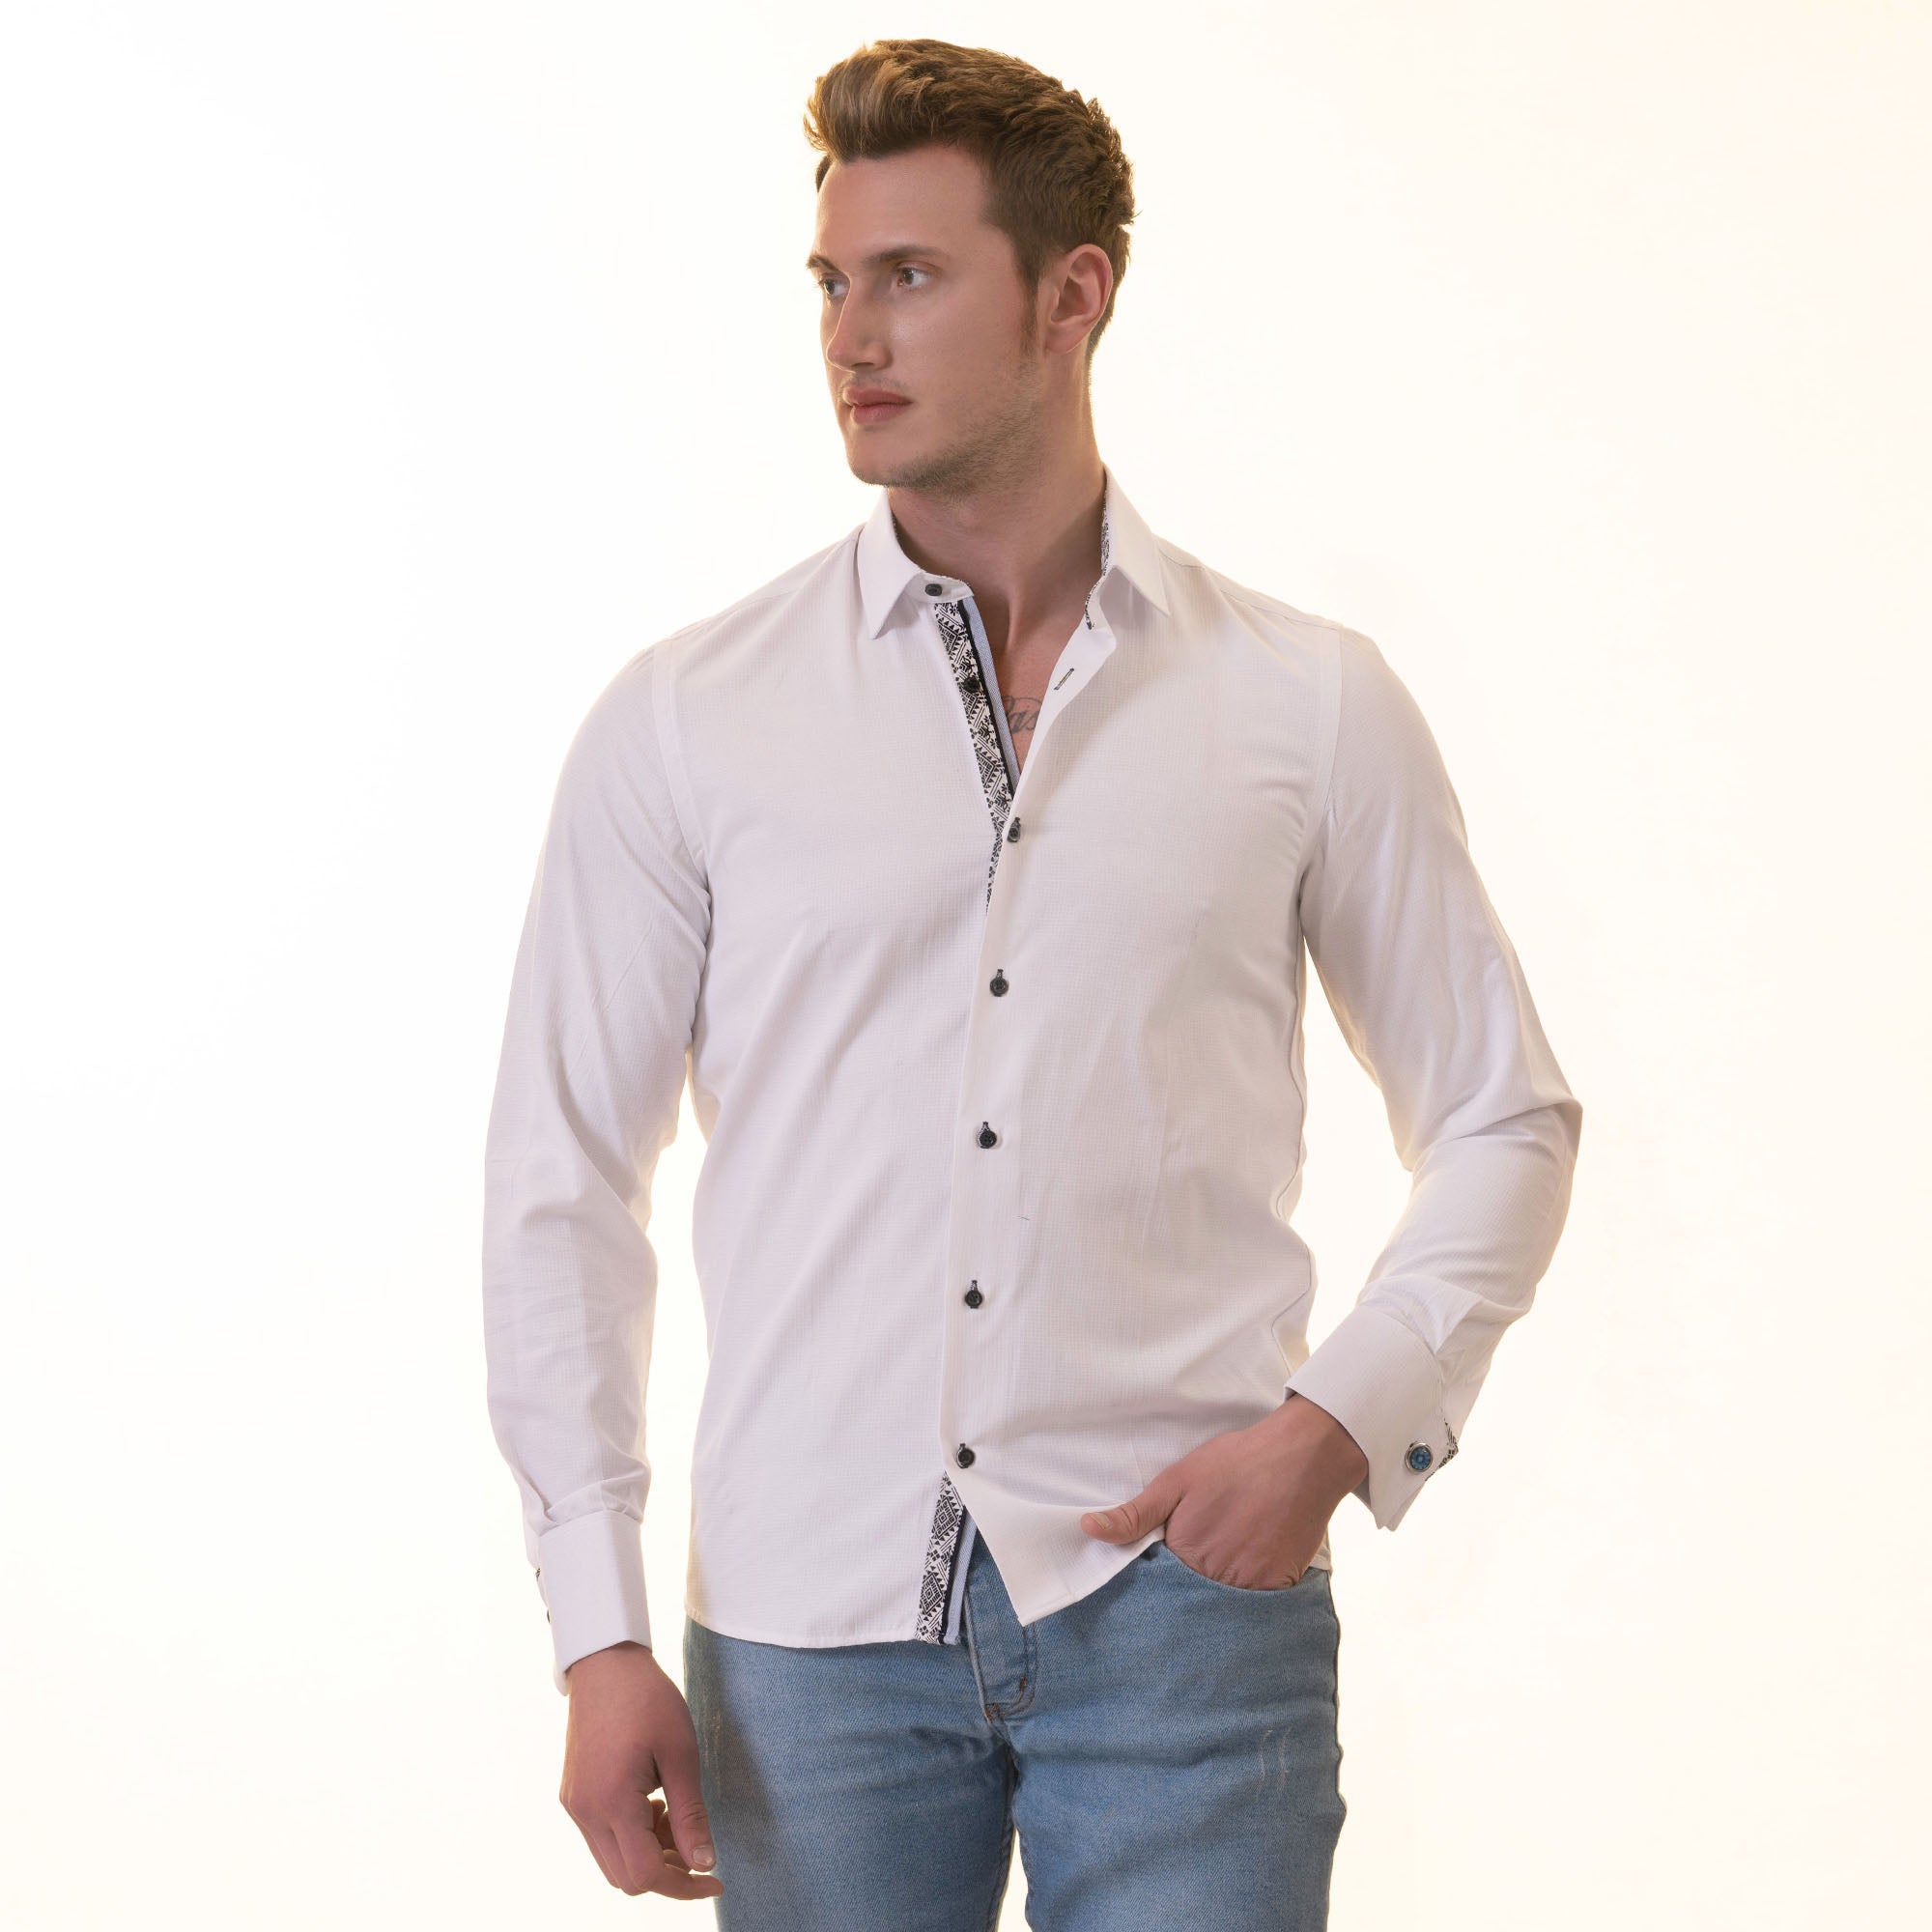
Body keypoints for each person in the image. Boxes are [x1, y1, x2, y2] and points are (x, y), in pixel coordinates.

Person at [481, 35, 1582, 1930]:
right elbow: (559, 1179)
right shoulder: (686, 722)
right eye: (832, 280)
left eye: (910, 276)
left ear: (1073, 296)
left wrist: (1330, 1432)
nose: (850, 335)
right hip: (806, 1638)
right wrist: (596, 1631)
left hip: (1185, 1621)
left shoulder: (1304, 703)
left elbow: (1505, 1116)